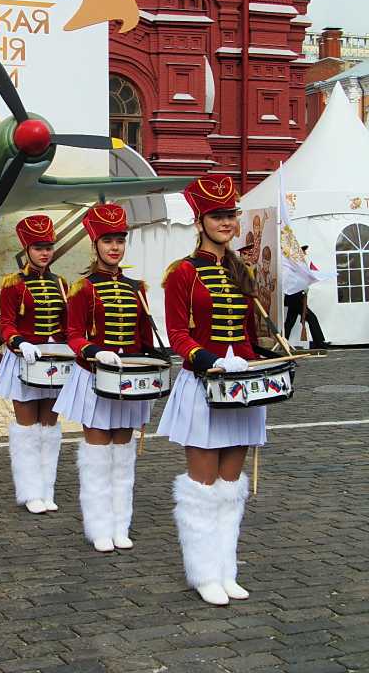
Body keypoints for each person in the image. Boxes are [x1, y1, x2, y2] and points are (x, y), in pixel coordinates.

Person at [157, 174, 272, 606]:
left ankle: (227, 570)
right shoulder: (183, 273)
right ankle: (203, 573)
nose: (226, 222)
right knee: (202, 487)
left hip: (240, 385)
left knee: (230, 485)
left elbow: (247, 334)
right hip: (203, 384)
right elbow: (177, 333)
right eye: (217, 215)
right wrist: (208, 360)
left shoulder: (242, 271)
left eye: (230, 215)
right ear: (200, 221)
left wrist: (259, 364)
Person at [53, 203, 157, 552]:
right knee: (98, 457)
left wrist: (152, 364)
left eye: (120, 240)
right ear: (95, 244)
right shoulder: (82, 288)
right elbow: (72, 334)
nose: (115, 247)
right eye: (108, 240)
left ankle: (120, 524)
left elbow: (144, 338)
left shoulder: (137, 287)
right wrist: (94, 351)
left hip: (128, 379)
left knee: (123, 457)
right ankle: (98, 526)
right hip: (95, 378)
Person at [0, 214, 67, 515]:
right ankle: (29, 491)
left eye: (48, 247)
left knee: (49, 428)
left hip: (54, 361)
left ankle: (47, 489)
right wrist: (20, 342)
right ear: (26, 250)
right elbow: (6, 324)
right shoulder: (13, 285)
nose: (45, 253)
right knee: (27, 430)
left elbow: (68, 325)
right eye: (38, 248)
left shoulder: (61, 284)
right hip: (24, 359)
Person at [284, 246, 330, 349]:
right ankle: (319, 343)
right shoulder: (294, 265)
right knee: (312, 318)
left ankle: (283, 341)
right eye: (303, 252)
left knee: (290, 322)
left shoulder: (299, 265)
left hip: (296, 297)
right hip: (295, 297)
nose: (305, 254)